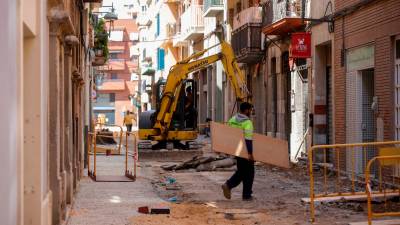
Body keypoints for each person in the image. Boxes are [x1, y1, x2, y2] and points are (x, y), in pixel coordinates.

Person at [222, 102, 255, 201]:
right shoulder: (247, 123)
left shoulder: (232, 120)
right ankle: (229, 185)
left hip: (236, 150)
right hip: (244, 151)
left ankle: (246, 194)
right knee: (248, 172)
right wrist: (250, 153)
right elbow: (248, 139)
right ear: (246, 110)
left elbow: (228, 135)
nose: (250, 112)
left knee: (243, 171)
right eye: (250, 110)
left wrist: (227, 149)